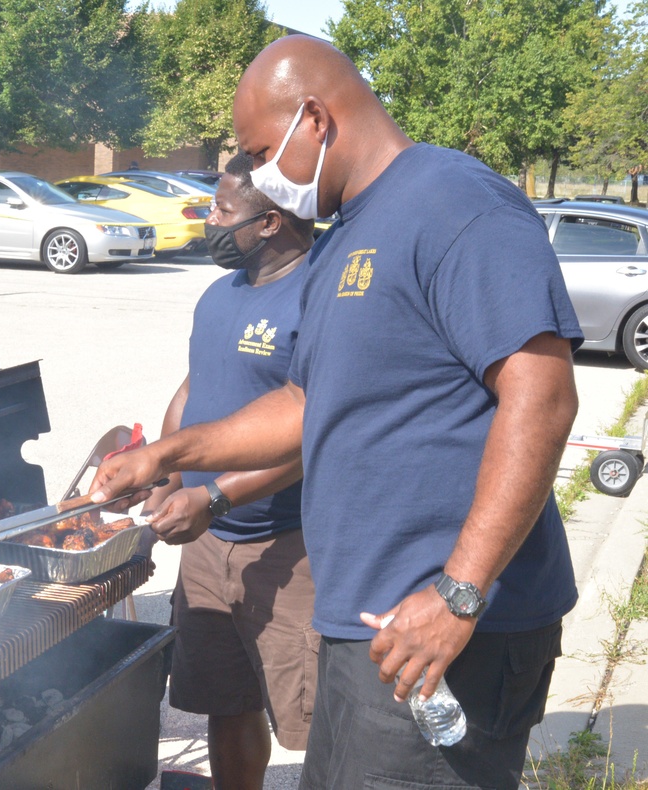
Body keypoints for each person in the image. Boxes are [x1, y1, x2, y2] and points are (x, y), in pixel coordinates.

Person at [92, 34, 583, 789]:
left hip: (448, 624)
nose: (258, 174)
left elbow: (542, 393)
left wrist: (460, 589)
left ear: (314, 119)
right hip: (363, 617)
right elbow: (308, 400)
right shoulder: (346, 237)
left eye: (261, 151)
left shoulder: (455, 203)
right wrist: (168, 454)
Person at [141, 151, 318, 790]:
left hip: (289, 549)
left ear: (270, 222)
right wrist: (163, 475)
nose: (209, 220)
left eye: (222, 210)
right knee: (225, 701)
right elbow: (193, 389)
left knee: (313, 720)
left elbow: (314, 435)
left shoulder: (321, 295)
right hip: (206, 546)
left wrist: (213, 496)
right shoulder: (221, 294)